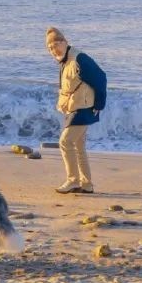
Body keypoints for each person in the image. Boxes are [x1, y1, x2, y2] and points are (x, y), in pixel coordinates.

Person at [45, 27, 106, 194]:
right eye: (50, 47)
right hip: (75, 108)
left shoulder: (80, 59)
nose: (54, 49)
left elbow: (101, 78)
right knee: (78, 146)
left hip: (84, 108)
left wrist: (99, 105)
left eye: (57, 44)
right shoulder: (65, 60)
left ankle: (73, 180)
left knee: (65, 142)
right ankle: (86, 185)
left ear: (65, 42)